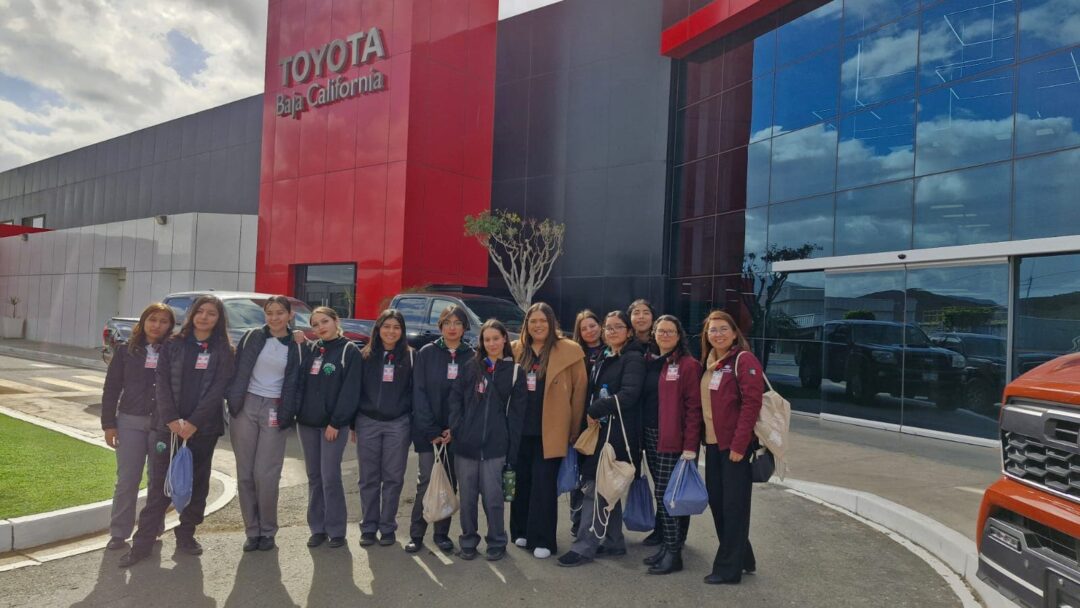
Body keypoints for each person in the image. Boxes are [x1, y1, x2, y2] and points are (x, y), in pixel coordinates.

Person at [120, 295, 236, 567]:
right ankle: (143, 544)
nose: (205, 317)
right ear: (192, 314)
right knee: (160, 486)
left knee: (197, 484)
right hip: (167, 427)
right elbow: (160, 383)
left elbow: (219, 389)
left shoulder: (223, 350)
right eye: (200, 312)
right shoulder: (173, 344)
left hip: (203, 428)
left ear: (218, 320)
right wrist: (172, 419)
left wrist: (194, 422)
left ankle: (186, 535)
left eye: (211, 314)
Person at [558, 310, 644, 567]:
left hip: (618, 435)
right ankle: (615, 541)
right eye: (608, 328)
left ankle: (584, 547)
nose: (612, 332)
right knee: (608, 488)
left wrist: (595, 410)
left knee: (595, 490)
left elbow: (629, 395)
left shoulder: (633, 358)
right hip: (601, 433)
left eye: (618, 327)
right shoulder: (606, 357)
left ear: (629, 331)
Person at [226, 295, 305, 552]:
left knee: (266, 474)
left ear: (289, 315)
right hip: (246, 405)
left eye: (280, 312)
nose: (274, 317)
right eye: (269, 312)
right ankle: (252, 531)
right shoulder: (253, 336)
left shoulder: (296, 343)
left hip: (275, 408)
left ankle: (268, 530)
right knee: (246, 473)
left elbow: (300, 379)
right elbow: (236, 368)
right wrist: (232, 401)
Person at [510, 302, 587, 559]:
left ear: (552, 323)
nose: (538, 325)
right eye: (533, 321)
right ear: (526, 325)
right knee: (522, 482)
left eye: (543, 321)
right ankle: (520, 530)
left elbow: (579, 394)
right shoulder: (516, 349)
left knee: (544, 485)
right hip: (520, 429)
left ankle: (543, 539)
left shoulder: (569, 350)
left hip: (551, 430)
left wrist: (574, 429)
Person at [448, 319, 526, 561]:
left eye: (496, 338)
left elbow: (516, 416)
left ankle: (497, 541)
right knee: (468, 499)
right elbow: (455, 402)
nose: (492, 343)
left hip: (495, 448)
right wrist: (458, 429)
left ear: (505, 339)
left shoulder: (515, 372)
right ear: (481, 342)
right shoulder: (471, 367)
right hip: (466, 447)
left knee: (493, 499)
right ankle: (468, 540)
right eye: (487, 339)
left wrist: (511, 449)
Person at [101, 302, 175, 551]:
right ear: (143, 322)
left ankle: (152, 528)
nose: (157, 325)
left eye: (163, 321)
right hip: (130, 421)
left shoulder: (173, 351)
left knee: (157, 479)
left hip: (162, 425)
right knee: (127, 480)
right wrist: (109, 424)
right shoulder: (125, 351)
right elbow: (111, 388)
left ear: (170, 326)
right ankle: (119, 532)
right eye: (152, 319)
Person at [699, 310, 764, 584]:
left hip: (735, 447)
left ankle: (728, 569)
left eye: (723, 329)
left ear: (735, 332)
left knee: (734, 507)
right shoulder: (711, 362)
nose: (718, 334)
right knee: (719, 504)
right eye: (713, 330)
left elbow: (752, 403)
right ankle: (743, 557)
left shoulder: (743, 359)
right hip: (713, 446)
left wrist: (740, 445)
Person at [295, 306, 362, 549]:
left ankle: (336, 530)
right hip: (307, 424)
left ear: (336, 321)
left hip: (332, 426)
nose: (320, 327)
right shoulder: (311, 349)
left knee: (330, 476)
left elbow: (350, 391)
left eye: (325, 321)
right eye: (315, 324)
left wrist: (336, 422)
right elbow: (300, 382)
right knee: (314, 477)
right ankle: (317, 528)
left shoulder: (349, 350)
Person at [406, 305, 471, 554]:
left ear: (464, 327)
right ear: (440, 326)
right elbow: (418, 393)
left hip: (457, 433)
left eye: (457, 323)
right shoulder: (426, 353)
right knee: (426, 481)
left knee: (449, 482)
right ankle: (416, 533)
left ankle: (441, 534)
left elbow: (470, 400)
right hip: (428, 432)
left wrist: (454, 429)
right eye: (447, 322)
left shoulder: (470, 356)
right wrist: (431, 429)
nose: (452, 327)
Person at [641, 314, 702, 574]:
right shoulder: (651, 361)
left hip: (674, 439)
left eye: (670, 332)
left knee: (667, 496)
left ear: (679, 336)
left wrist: (690, 446)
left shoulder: (688, 365)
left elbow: (693, 408)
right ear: (654, 334)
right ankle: (668, 545)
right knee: (668, 493)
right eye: (660, 331)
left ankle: (674, 553)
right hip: (652, 434)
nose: (665, 335)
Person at [355, 309, 414, 548]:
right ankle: (369, 526)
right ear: (378, 329)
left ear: (402, 332)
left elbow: (415, 392)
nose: (391, 331)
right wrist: (352, 423)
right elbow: (354, 390)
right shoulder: (364, 356)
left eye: (396, 327)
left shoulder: (411, 357)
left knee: (393, 478)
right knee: (368, 478)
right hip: (367, 421)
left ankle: (387, 526)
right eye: (386, 326)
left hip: (398, 424)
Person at [568, 309, 604, 538]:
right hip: (579, 420)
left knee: (596, 474)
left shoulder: (609, 351)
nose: (589, 330)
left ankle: (596, 521)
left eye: (592, 325)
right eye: (584, 328)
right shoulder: (575, 353)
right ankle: (576, 518)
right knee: (577, 473)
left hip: (601, 421)